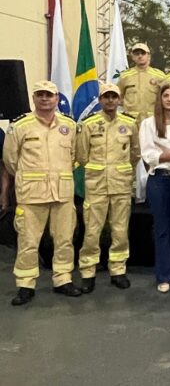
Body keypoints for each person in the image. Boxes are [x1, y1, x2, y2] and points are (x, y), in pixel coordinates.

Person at [3, 81, 80, 305]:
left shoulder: (69, 126)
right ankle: (26, 284)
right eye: (40, 95)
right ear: (34, 98)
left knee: (65, 239)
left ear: (57, 99)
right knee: (28, 241)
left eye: (49, 95)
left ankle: (63, 279)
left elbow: (76, 156)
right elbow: (10, 159)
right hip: (32, 194)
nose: (45, 99)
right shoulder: (20, 126)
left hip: (62, 193)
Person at [76, 83, 140, 293]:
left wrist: (118, 171)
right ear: (100, 100)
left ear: (120, 99)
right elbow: (82, 155)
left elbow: (135, 154)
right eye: (106, 97)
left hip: (121, 184)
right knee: (92, 231)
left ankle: (118, 270)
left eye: (114, 97)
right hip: (96, 185)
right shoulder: (89, 124)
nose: (111, 100)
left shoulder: (129, 124)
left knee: (120, 230)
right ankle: (88, 271)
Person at [140, 84, 170, 293]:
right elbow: (147, 154)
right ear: (160, 99)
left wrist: (167, 153)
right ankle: (163, 275)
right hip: (158, 180)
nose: (169, 99)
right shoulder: (148, 124)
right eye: (166, 96)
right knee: (161, 229)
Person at [117, 42, 166, 125]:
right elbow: (118, 98)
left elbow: (167, 97)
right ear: (132, 57)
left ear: (148, 56)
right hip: (130, 121)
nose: (140, 56)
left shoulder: (160, 76)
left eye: (143, 53)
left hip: (153, 121)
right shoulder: (125, 76)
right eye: (137, 54)